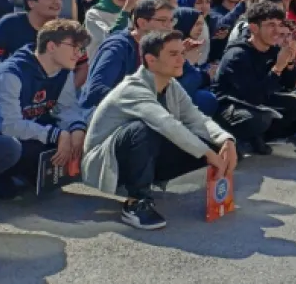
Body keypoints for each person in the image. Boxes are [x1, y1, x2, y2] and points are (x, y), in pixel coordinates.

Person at [81, 30, 237, 230]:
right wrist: (207, 154)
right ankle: (136, 202)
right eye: (173, 54)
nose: (182, 59)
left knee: (214, 145)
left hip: (140, 155)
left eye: (182, 53)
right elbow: (166, 124)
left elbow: (196, 118)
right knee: (145, 128)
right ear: (151, 60)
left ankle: (146, 180)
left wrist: (225, 140)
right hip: (106, 163)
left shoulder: (171, 85)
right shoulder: (133, 88)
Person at [211, 0, 296, 155]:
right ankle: (244, 139)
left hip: (258, 103)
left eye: (279, 25)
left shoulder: (272, 49)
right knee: (260, 118)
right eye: (270, 25)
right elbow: (253, 97)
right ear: (254, 28)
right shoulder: (237, 55)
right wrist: (278, 68)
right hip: (233, 107)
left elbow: (289, 84)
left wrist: (290, 62)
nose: (277, 31)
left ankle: (262, 137)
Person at [0, 20, 91, 199]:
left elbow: (66, 107)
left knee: (79, 134)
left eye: (81, 48)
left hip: (33, 129)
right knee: (14, 150)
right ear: (51, 46)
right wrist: (56, 135)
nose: (78, 53)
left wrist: (76, 129)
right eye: (74, 46)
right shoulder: (11, 73)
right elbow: (7, 125)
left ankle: (27, 174)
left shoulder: (63, 70)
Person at [80, 0, 175, 111]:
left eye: (171, 21)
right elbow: (96, 91)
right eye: (163, 20)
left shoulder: (157, 47)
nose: (169, 27)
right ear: (142, 23)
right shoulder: (117, 47)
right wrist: (138, 106)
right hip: (101, 114)